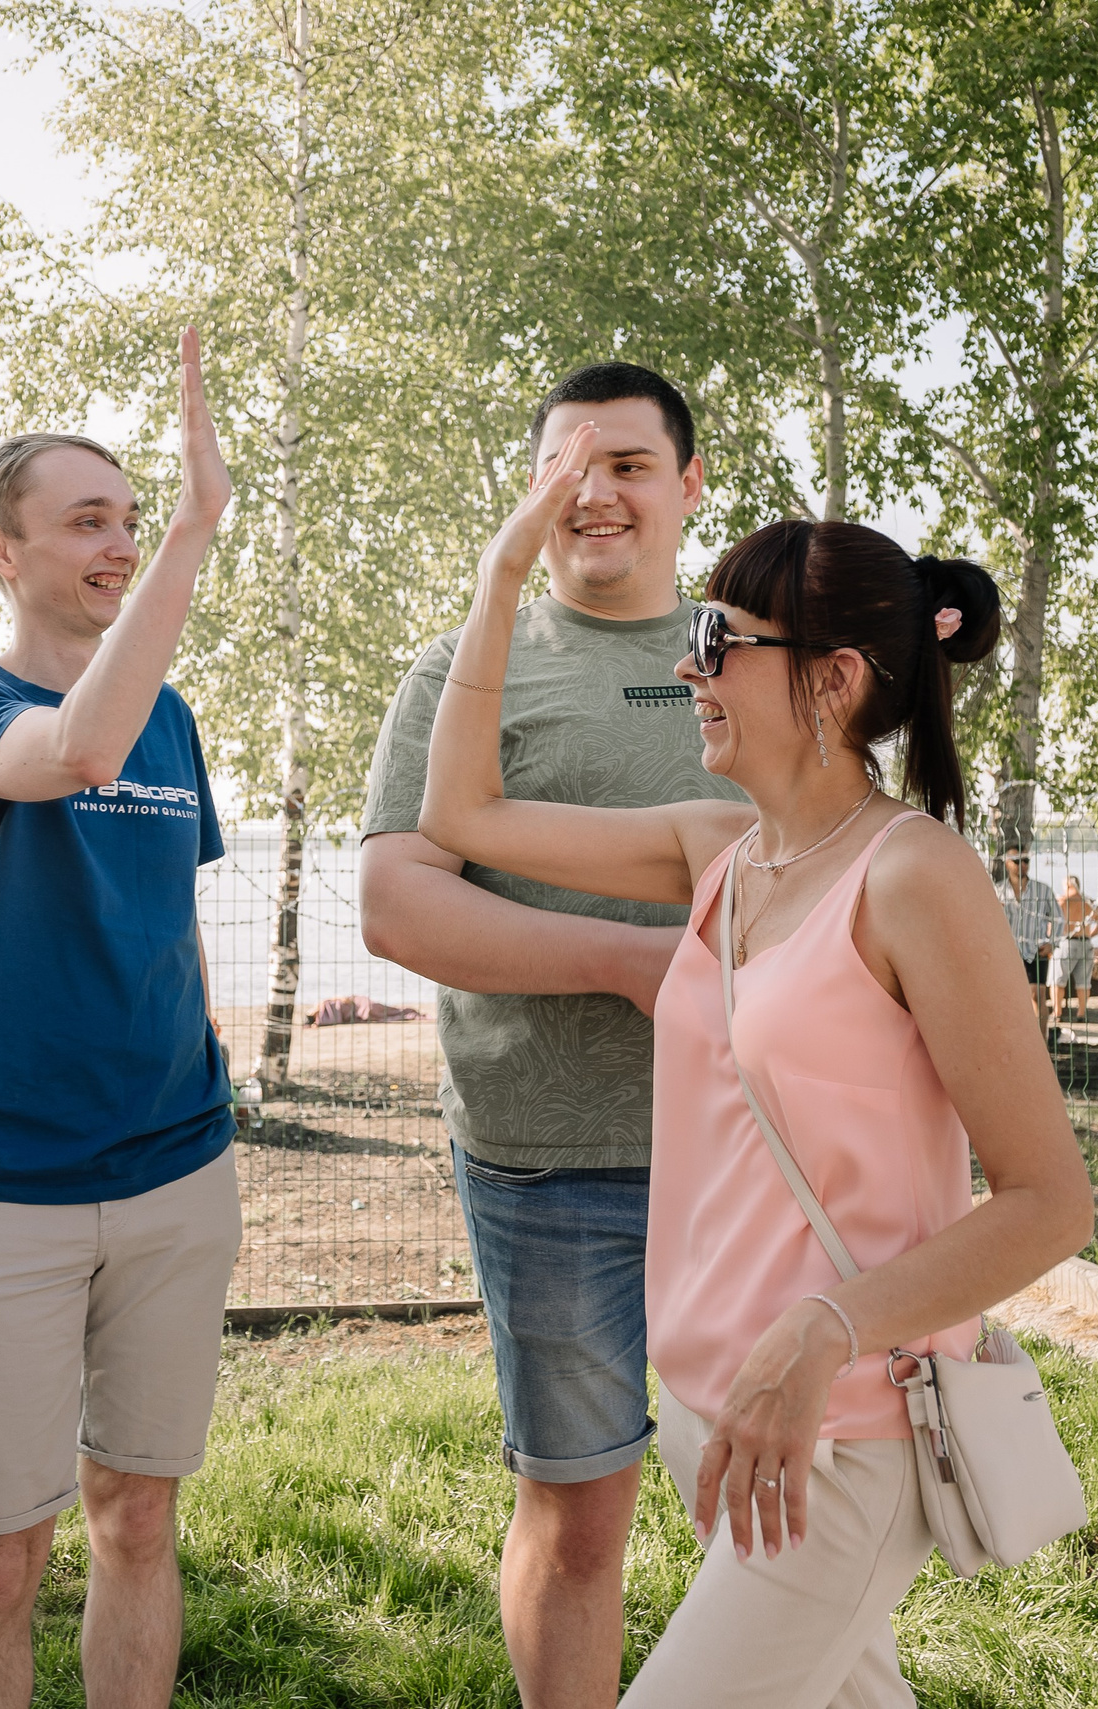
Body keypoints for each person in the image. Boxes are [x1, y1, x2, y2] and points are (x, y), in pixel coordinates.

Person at [419, 427, 1095, 1707]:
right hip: (717, 1414)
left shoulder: (913, 874)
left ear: (835, 680)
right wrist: (504, 576)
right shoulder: (721, 850)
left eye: (723, 644)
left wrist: (816, 1332)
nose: (691, 666)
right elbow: (463, 817)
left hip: (841, 1428)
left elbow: (1048, 1199)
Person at [359, 362, 746, 1707]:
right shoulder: (467, 662)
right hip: (549, 1159)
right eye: (567, 468)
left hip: (756, 1161)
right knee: (580, 1522)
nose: (597, 493)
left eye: (630, 464)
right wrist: (633, 964)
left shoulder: (755, 653)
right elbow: (398, 905)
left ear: (690, 486)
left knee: (760, 1507)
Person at [0, 332, 236, 1709]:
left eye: (129, 515)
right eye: (86, 520)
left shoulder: (175, 717)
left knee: (140, 1516)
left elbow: (162, 927)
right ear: (1, 548)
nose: (117, 541)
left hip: (179, 1170)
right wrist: (192, 530)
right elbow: (78, 750)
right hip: (8, 1186)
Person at [997, 848, 1061, 1038]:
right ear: (1007, 863)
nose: (1022, 865)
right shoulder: (998, 890)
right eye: (1016, 861)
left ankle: (1042, 1044)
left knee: (1037, 996)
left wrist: (1052, 943)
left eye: (1025, 860)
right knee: (1009, 998)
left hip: (1035, 950)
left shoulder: (1042, 890)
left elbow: (1058, 918)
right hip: (1009, 953)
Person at [1053, 874, 1098, 1024]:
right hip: (1085, 943)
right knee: (1083, 982)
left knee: (1058, 980)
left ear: (1068, 886)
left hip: (1067, 943)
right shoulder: (1088, 902)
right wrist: (1089, 935)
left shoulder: (1062, 901)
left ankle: (1057, 1012)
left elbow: (1052, 924)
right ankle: (1081, 1013)